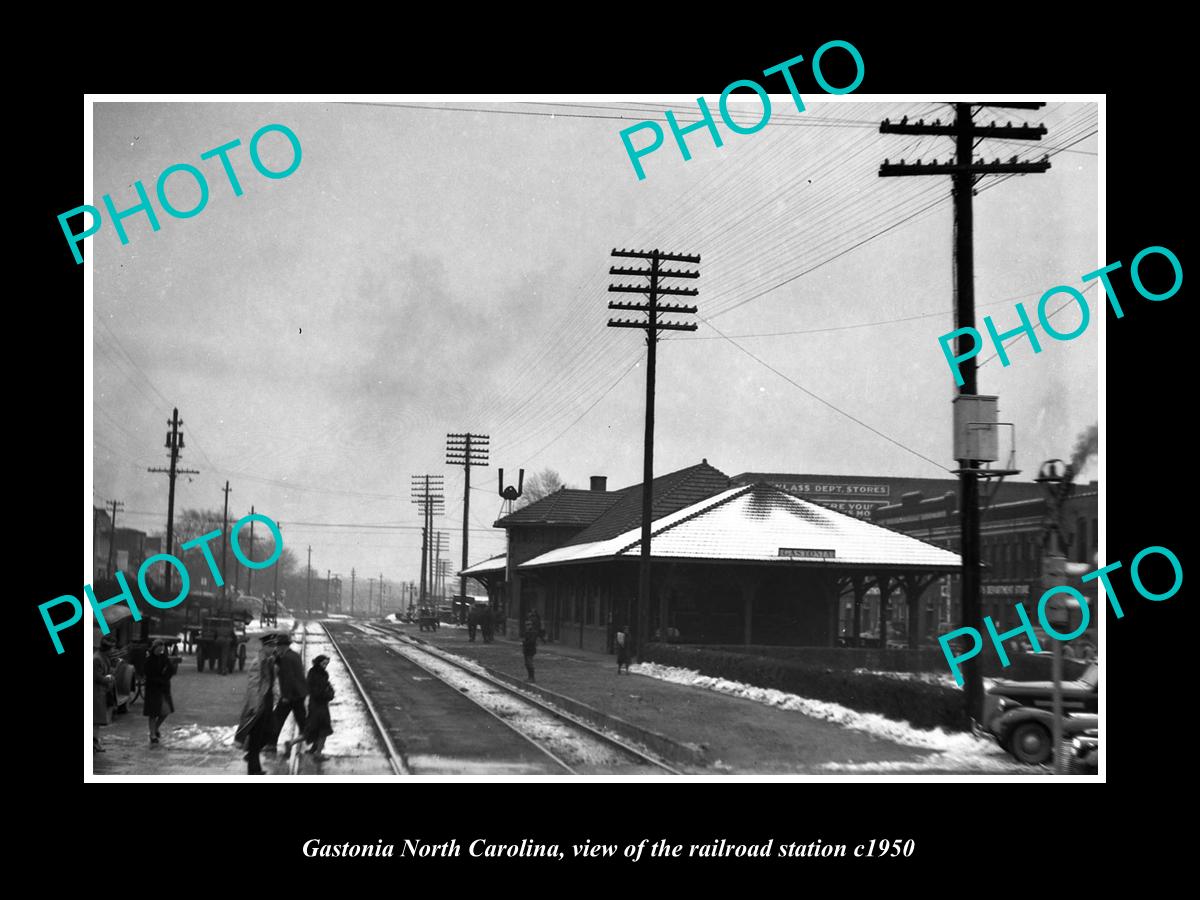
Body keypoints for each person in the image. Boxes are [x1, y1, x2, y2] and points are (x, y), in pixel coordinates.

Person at [236, 635, 280, 775]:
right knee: (256, 737)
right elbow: (253, 685)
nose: (273, 649)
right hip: (259, 705)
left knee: (269, 732)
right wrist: (254, 706)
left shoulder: (269, 661)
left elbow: (272, 682)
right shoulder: (258, 663)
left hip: (268, 702)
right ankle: (254, 769)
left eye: (274, 646)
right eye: (270, 646)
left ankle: (252, 760)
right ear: (264, 647)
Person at [267, 635, 307, 752]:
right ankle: (304, 739)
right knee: (301, 721)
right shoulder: (294, 655)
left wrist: (286, 696)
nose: (277, 648)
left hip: (291, 695)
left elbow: (288, 678)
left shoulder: (286, 659)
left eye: (278, 646)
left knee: (276, 719)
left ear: (282, 646)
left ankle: (271, 745)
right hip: (300, 693)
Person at [143, 639, 177, 744]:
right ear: (154, 648)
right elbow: (148, 674)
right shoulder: (149, 660)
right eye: (158, 648)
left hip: (163, 688)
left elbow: (171, 670)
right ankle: (152, 735)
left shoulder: (164, 658)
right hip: (153, 688)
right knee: (153, 713)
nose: (160, 650)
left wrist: (165, 678)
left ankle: (155, 728)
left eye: (162, 649)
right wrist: (158, 680)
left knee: (165, 711)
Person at [302, 655, 335, 760]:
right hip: (319, 705)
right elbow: (318, 691)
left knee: (315, 728)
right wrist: (329, 694)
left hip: (315, 704)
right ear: (318, 662)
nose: (325, 666)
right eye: (323, 663)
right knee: (324, 729)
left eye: (326, 664)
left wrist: (328, 689)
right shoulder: (318, 675)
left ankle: (313, 749)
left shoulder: (316, 673)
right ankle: (318, 753)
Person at [93, 635, 115, 752]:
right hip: (95, 692)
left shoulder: (103, 657)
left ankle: (95, 742)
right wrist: (108, 678)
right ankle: (94, 742)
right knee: (95, 720)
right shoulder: (97, 659)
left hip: (100, 692)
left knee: (96, 720)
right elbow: (96, 677)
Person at [521, 617, 538, 682]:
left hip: (530, 650)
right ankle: (529, 677)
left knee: (529, 663)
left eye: (529, 624)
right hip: (526, 650)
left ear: (531, 625)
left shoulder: (533, 632)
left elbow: (532, 641)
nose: (527, 626)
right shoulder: (527, 632)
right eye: (526, 625)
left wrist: (524, 642)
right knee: (527, 664)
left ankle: (532, 678)